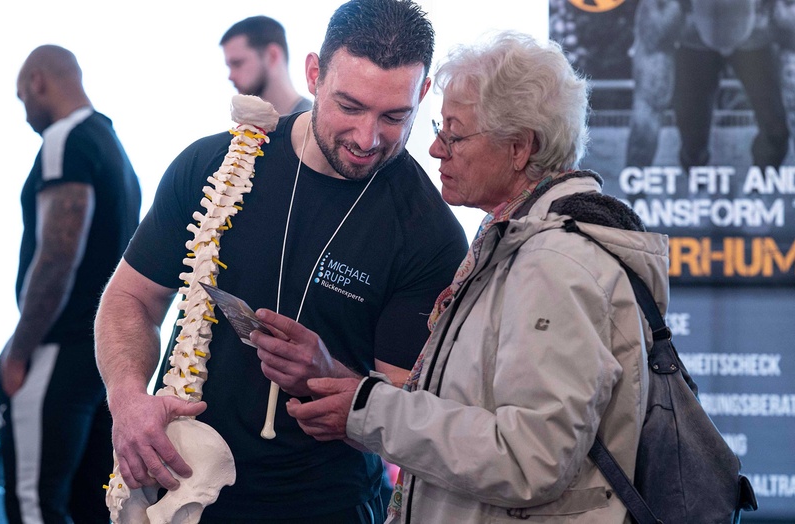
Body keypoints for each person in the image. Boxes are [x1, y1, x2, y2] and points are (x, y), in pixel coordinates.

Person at [264, 31, 671, 523]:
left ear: (520, 148)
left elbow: (532, 458)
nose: (435, 149)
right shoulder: (525, 245)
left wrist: (366, 408)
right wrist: (348, 390)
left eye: (454, 134)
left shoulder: (554, 265)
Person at [95, 0, 468, 522]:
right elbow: (132, 298)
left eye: (394, 116)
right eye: (350, 106)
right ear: (314, 74)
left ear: (423, 94)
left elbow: (411, 415)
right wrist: (128, 398)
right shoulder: (213, 163)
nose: (367, 138)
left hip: (320, 505)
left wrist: (330, 375)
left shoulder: (430, 233)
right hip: (175, 493)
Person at [0, 45, 141, 523]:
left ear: (37, 83)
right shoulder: (112, 148)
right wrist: (3, 358)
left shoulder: (63, 139)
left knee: (32, 504)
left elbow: (55, 261)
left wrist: (20, 356)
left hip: (54, 357)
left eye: (20, 98)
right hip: (96, 363)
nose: (25, 113)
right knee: (89, 505)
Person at [626, 0, 795, 201]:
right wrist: (629, 215)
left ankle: (759, 184)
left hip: (758, 44)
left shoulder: (787, 10)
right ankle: (697, 171)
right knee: (691, 131)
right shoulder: (664, 10)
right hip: (694, 45)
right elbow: (647, 112)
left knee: (777, 127)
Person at [221, 15, 313, 115]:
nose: (230, 76)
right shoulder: (250, 128)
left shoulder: (313, 127)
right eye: (229, 66)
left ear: (272, 55)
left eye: (237, 63)